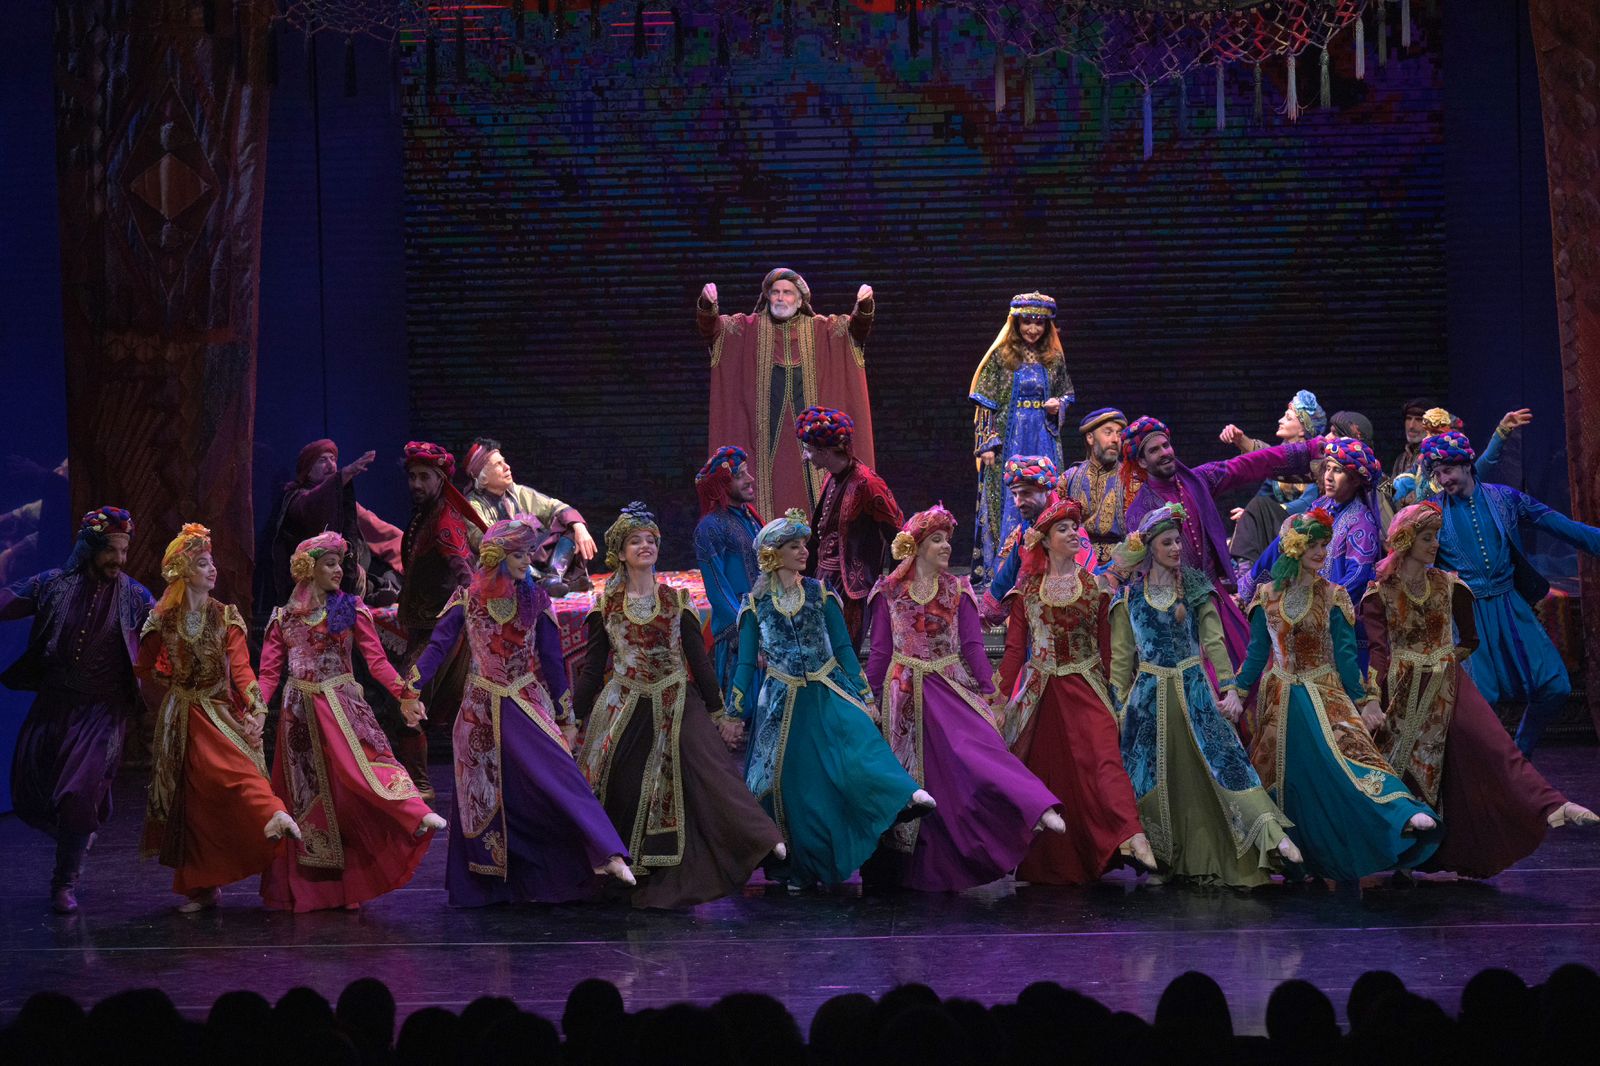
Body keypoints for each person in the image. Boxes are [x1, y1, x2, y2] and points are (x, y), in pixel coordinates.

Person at [403, 517, 632, 906]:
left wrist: (567, 717)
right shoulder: (468, 599)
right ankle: (500, 885)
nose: (528, 560)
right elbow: (437, 647)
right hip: (479, 711)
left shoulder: (536, 600)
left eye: (528, 553)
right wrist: (410, 690)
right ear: (498, 557)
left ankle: (606, 851)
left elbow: (552, 661)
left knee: (559, 773)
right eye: (519, 554)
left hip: (525, 702)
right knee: (497, 800)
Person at [1363, 502, 1596, 879]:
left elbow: (1469, 640)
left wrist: (1442, 661)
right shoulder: (1380, 593)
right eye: (1427, 538)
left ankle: (1551, 805)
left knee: (1493, 747)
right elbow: (1378, 652)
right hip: (1403, 688)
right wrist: (1372, 699)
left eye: (1437, 537)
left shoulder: (1449, 585)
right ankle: (1406, 856)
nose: (1435, 545)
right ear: (1406, 541)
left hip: (1449, 682)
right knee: (1402, 768)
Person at [573, 504, 784, 908]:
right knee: (623, 784)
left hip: (676, 696)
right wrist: (573, 717)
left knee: (711, 772)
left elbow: (698, 660)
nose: (645, 546)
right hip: (625, 702)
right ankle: (630, 866)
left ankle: (759, 839)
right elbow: (593, 669)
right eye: (636, 541)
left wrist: (719, 711)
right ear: (620, 553)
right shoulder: (607, 605)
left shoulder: (675, 600)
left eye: (651, 540)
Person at [727, 509, 933, 889]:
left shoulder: (820, 594)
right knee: (797, 787)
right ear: (772, 554)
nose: (804, 551)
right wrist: (733, 712)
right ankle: (804, 868)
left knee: (859, 741)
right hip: (783, 701)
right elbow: (745, 663)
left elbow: (843, 649)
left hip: (828, 687)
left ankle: (902, 794)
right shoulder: (755, 605)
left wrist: (864, 695)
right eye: (794, 546)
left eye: (803, 544)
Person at [863, 505, 1064, 891]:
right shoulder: (888, 591)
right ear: (916, 547)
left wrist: (992, 693)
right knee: (921, 785)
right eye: (936, 540)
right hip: (902, 697)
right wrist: (868, 698)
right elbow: (880, 651)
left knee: (977, 752)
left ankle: (1033, 806)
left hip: (948, 686)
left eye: (947, 540)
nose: (946, 546)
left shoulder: (958, 590)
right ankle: (924, 870)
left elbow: (973, 647)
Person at [1234, 509, 1441, 883]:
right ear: (1294, 548)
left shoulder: (1334, 596)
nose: (1320, 552)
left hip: (1324, 693)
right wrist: (1236, 692)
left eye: (1323, 545)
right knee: (1289, 783)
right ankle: (1298, 857)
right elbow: (1256, 654)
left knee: (1351, 756)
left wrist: (1365, 700)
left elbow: (1346, 658)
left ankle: (1398, 812)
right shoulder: (1267, 596)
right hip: (1280, 704)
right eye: (1312, 545)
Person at [1109, 504, 1302, 887]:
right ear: (1149, 548)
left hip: (1194, 689)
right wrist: (1117, 707)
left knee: (1226, 762)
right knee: (1155, 778)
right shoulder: (1129, 597)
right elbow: (1121, 658)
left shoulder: (1196, 588)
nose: (1176, 548)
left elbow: (1214, 642)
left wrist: (1230, 688)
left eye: (1178, 541)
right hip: (1148, 700)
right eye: (1167, 542)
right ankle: (1166, 861)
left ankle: (1269, 834)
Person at [256, 532, 446, 912]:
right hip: (299, 717)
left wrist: (405, 695)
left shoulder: (349, 608)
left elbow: (376, 662)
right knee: (313, 800)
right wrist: (256, 711)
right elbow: (269, 674)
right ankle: (325, 889)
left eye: (340, 564)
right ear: (309, 569)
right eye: (330, 564)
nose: (338, 571)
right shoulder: (284, 618)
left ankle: (412, 812)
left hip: (341, 706)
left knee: (364, 770)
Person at [136, 523, 300, 913]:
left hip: (216, 711)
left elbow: (242, 671)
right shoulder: (163, 619)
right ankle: (202, 887)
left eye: (212, 563)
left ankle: (273, 814)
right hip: (180, 718)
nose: (212, 570)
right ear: (183, 571)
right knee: (192, 804)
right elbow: (143, 666)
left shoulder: (225, 617)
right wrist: (169, 686)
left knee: (234, 772)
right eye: (203, 564)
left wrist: (257, 708)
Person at [0, 507, 153, 913]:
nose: (119, 559)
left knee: (78, 794)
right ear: (89, 548)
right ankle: (78, 833)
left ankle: (64, 882)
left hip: (103, 711)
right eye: (111, 551)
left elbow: (165, 628)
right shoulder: (52, 585)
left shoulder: (136, 597)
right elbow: (6, 601)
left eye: (124, 551)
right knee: (29, 795)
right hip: (54, 705)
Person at [995, 497, 1155, 883]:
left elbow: (1106, 646)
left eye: (1074, 527)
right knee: (1053, 774)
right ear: (1045, 541)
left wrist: (1116, 692)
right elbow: (1015, 651)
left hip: (1086, 686)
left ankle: (1131, 834)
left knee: (1104, 759)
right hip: (1043, 694)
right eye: (1062, 529)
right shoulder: (1027, 591)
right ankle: (1060, 861)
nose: (1071, 533)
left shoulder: (1094, 586)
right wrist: (997, 699)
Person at [1423, 429, 1600, 755]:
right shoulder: (1431, 513)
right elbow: (1409, 558)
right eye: (1436, 474)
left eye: (1447, 470)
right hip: (1467, 615)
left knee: (1555, 686)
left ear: (1466, 464)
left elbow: (1560, 525)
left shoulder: (1505, 499)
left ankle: (1521, 750)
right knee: (1481, 700)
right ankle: (1496, 769)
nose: (1443, 479)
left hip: (1510, 607)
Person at [1119, 416, 1323, 664]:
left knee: (1249, 672)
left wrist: (1308, 450)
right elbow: (1143, 575)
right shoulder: (1139, 512)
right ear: (1141, 461)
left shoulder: (1197, 481)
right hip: (1176, 614)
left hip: (1215, 600)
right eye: (1154, 450)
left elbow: (1248, 465)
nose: (1164, 453)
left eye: (1166, 445)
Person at [699, 269, 878, 518]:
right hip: (763, 449)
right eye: (775, 292)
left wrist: (864, 306)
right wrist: (707, 305)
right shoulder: (746, 329)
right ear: (767, 297)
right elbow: (713, 329)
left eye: (787, 292)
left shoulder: (823, 330)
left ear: (801, 299)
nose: (780, 298)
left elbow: (855, 329)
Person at [395, 440, 483, 798]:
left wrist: (472, 603)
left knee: (408, 699)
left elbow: (463, 569)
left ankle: (420, 785)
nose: (416, 484)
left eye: (424, 477)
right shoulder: (426, 513)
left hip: (440, 633)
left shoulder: (445, 520)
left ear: (440, 479)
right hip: (424, 628)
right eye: (412, 476)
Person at [1247, 437, 1385, 664]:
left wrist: (1319, 609)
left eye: (1338, 471)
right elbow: (1288, 548)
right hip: (1303, 606)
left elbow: (1357, 578)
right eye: (1327, 468)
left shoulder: (1362, 523)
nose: (1328, 476)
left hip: (1335, 623)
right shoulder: (1320, 506)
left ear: (1355, 480)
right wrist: (1254, 585)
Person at [969, 293, 1074, 586]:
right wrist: (987, 442)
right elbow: (985, 402)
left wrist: (1059, 404)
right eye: (1027, 322)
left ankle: (1047, 561)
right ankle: (1005, 567)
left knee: (1046, 490)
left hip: (1042, 436)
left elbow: (1067, 393)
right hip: (1011, 436)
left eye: (1039, 323)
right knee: (1008, 497)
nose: (1033, 329)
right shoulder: (1002, 357)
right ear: (1016, 323)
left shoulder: (1053, 359)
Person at [795, 406, 904, 644]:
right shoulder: (831, 477)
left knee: (842, 652)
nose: (805, 457)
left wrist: (892, 585)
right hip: (822, 581)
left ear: (825, 452)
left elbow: (900, 537)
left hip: (851, 588)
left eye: (808, 450)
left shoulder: (868, 484)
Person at [265, 440, 403, 609]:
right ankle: (372, 593)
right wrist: (343, 475)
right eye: (322, 460)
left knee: (390, 571)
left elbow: (379, 528)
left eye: (333, 459)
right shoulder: (297, 499)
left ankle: (380, 590)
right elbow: (313, 502)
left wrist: (410, 545)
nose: (331, 465)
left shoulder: (339, 499)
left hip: (351, 573)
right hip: (315, 584)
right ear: (307, 470)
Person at [462, 437, 594, 594]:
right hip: (507, 562)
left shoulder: (515, 492)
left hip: (530, 556)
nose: (507, 467)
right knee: (502, 557)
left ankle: (553, 578)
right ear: (483, 475)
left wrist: (578, 526)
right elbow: (486, 542)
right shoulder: (472, 505)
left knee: (569, 525)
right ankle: (546, 583)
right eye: (498, 464)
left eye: (504, 462)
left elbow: (553, 507)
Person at [1222, 389, 1326, 570]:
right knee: (1246, 519)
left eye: (1288, 418)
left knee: (1258, 507)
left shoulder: (1315, 461)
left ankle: (1246, 569)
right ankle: (1245, 570)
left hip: (1303, 525)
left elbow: (1308, 501)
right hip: (1278, 525)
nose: (1280, 420)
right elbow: (1264, 491)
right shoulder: (1280, 461)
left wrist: (1263, 511)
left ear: (1303, 429)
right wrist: (1249, 514)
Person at [692, 445, 763, 698]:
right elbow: (718, 589)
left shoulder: (750, 518)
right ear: (723, 485)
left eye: (747, 472)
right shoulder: (710, 528)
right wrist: (746, 637)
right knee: (744, 708)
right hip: (740, 634)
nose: (750, 479)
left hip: (766, 627)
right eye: (740, 475)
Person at [978, 455, 1060, 624]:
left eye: (1026, 493)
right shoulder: (1027, 530)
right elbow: (1008, 574)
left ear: (1046, 490)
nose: (1018, 502)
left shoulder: (1066, 528)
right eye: (1015, 494)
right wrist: (984, 613)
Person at [1390, 407, 1522, 508]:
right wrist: (1380, 489)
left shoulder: (1464, 469)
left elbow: (1487, 460)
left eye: (1436, 433)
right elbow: (1396, 488)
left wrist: (1502, 431)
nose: (1429, 438)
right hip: (1428, 529)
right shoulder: (1422, 466)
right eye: (1428, 433)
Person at [1058, 408, 1132, 568]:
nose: (1115, 440)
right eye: (1108, 433)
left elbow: (1139, 535)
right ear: (1090, 438)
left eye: (1119, 434)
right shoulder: (1068, 478)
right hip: (1075, 565)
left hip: (1120, 567)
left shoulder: (1131, 480)